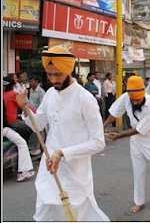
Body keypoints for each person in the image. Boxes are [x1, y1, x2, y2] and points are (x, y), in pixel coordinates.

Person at [16, 45, 109, 221]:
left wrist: (62, 153)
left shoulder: (85, 99)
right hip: (49, 170)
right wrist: (25, 108)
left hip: (75, 175)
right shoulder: (50, 94)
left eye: (57, 75)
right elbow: (39, 124)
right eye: (49, 75)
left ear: (69, 70)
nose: (53, 79)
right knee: (45, 216)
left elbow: (98, 142)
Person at [103, 76, 150, 213]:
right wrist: (103, 127)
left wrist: (119, 136)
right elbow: (113, 113)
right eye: (133, 100)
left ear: (144, 94)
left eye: (138, 99)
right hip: (136, 140)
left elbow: (139, 129)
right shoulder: (126, 97)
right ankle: (139, 201)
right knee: (138, 170)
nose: (136, 102)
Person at [3, 79, 35, 182]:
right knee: (22, 143)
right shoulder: (13, 94)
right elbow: (25, 106)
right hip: (8, 126)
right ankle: (23, 171)